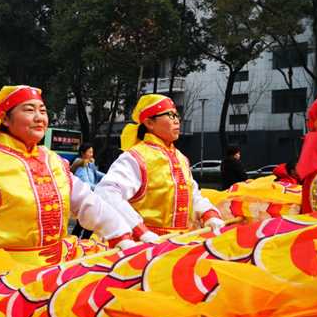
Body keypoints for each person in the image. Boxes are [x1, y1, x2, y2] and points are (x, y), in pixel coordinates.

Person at [0, 86, 135, 265]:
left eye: (43, 111)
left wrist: (119, 234)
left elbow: (86, 202)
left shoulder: (53, 161)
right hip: (4, 279)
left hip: (58, 270)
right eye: (29, 110)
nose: (39, 117)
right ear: (5, 119)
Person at [95, 95, 224, 241]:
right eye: (170, 115)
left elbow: (192, 193)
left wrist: (208, 213)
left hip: (179, 244)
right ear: (149, 123)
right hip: (144, 249)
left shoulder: (181, 158)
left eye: (177, 115)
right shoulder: (136, 157)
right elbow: (106, 191)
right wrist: (139, 230)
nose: (177, 120)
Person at [69, 143, 105, 239]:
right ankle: (80, 242)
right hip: (83, 198)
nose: (91, 154)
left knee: (84, 223)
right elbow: (86, 183)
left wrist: (107, 177)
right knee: (87, 223)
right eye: (89, 152)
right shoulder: (81, 166)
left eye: (92, 152)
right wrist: (99, 188)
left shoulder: (88, 163)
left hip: (87, 197)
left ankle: (75, 242)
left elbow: (95, 173)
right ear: (82, 153)